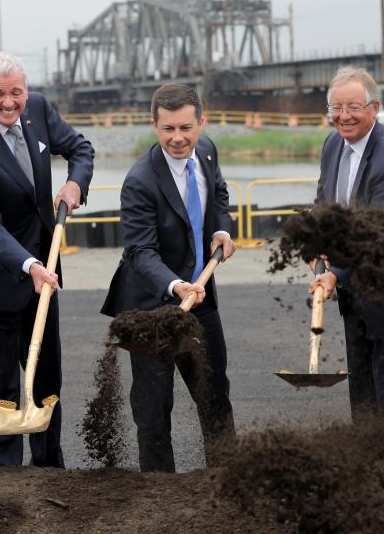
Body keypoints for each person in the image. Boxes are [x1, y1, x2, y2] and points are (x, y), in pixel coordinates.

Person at [0, 51, 94, 468]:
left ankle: (50, 466)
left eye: (16, 92)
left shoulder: (41, 110)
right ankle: (7, 478)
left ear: (26, 91)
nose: (9, 102)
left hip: (43, 272)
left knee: (47, 376)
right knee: (1, 387)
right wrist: (27, 264)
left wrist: (73, 183)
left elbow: (81, 149)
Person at [101, 82, 237, 473]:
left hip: (201, 297)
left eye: (185, 128)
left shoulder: (207, 152)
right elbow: (140, 253)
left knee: (214, 394)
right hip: (151, 306)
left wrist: (222, 230)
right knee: (154, 405)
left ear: (200, 123)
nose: (178, 138)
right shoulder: (140, 181)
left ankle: (227, 479)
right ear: (154, 125)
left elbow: (220, 193)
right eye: (168, 129)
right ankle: (159, 493)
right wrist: (176, 285)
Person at [310, 66, 384, 456]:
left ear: (375, 107)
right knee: (363, 401)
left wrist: (336, 274)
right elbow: (325, 204)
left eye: (353, 107)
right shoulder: (333, 146)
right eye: (336, 107)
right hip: (355, 299)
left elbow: (381, 236)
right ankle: (368, 492)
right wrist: (316, 243)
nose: (344, 116)